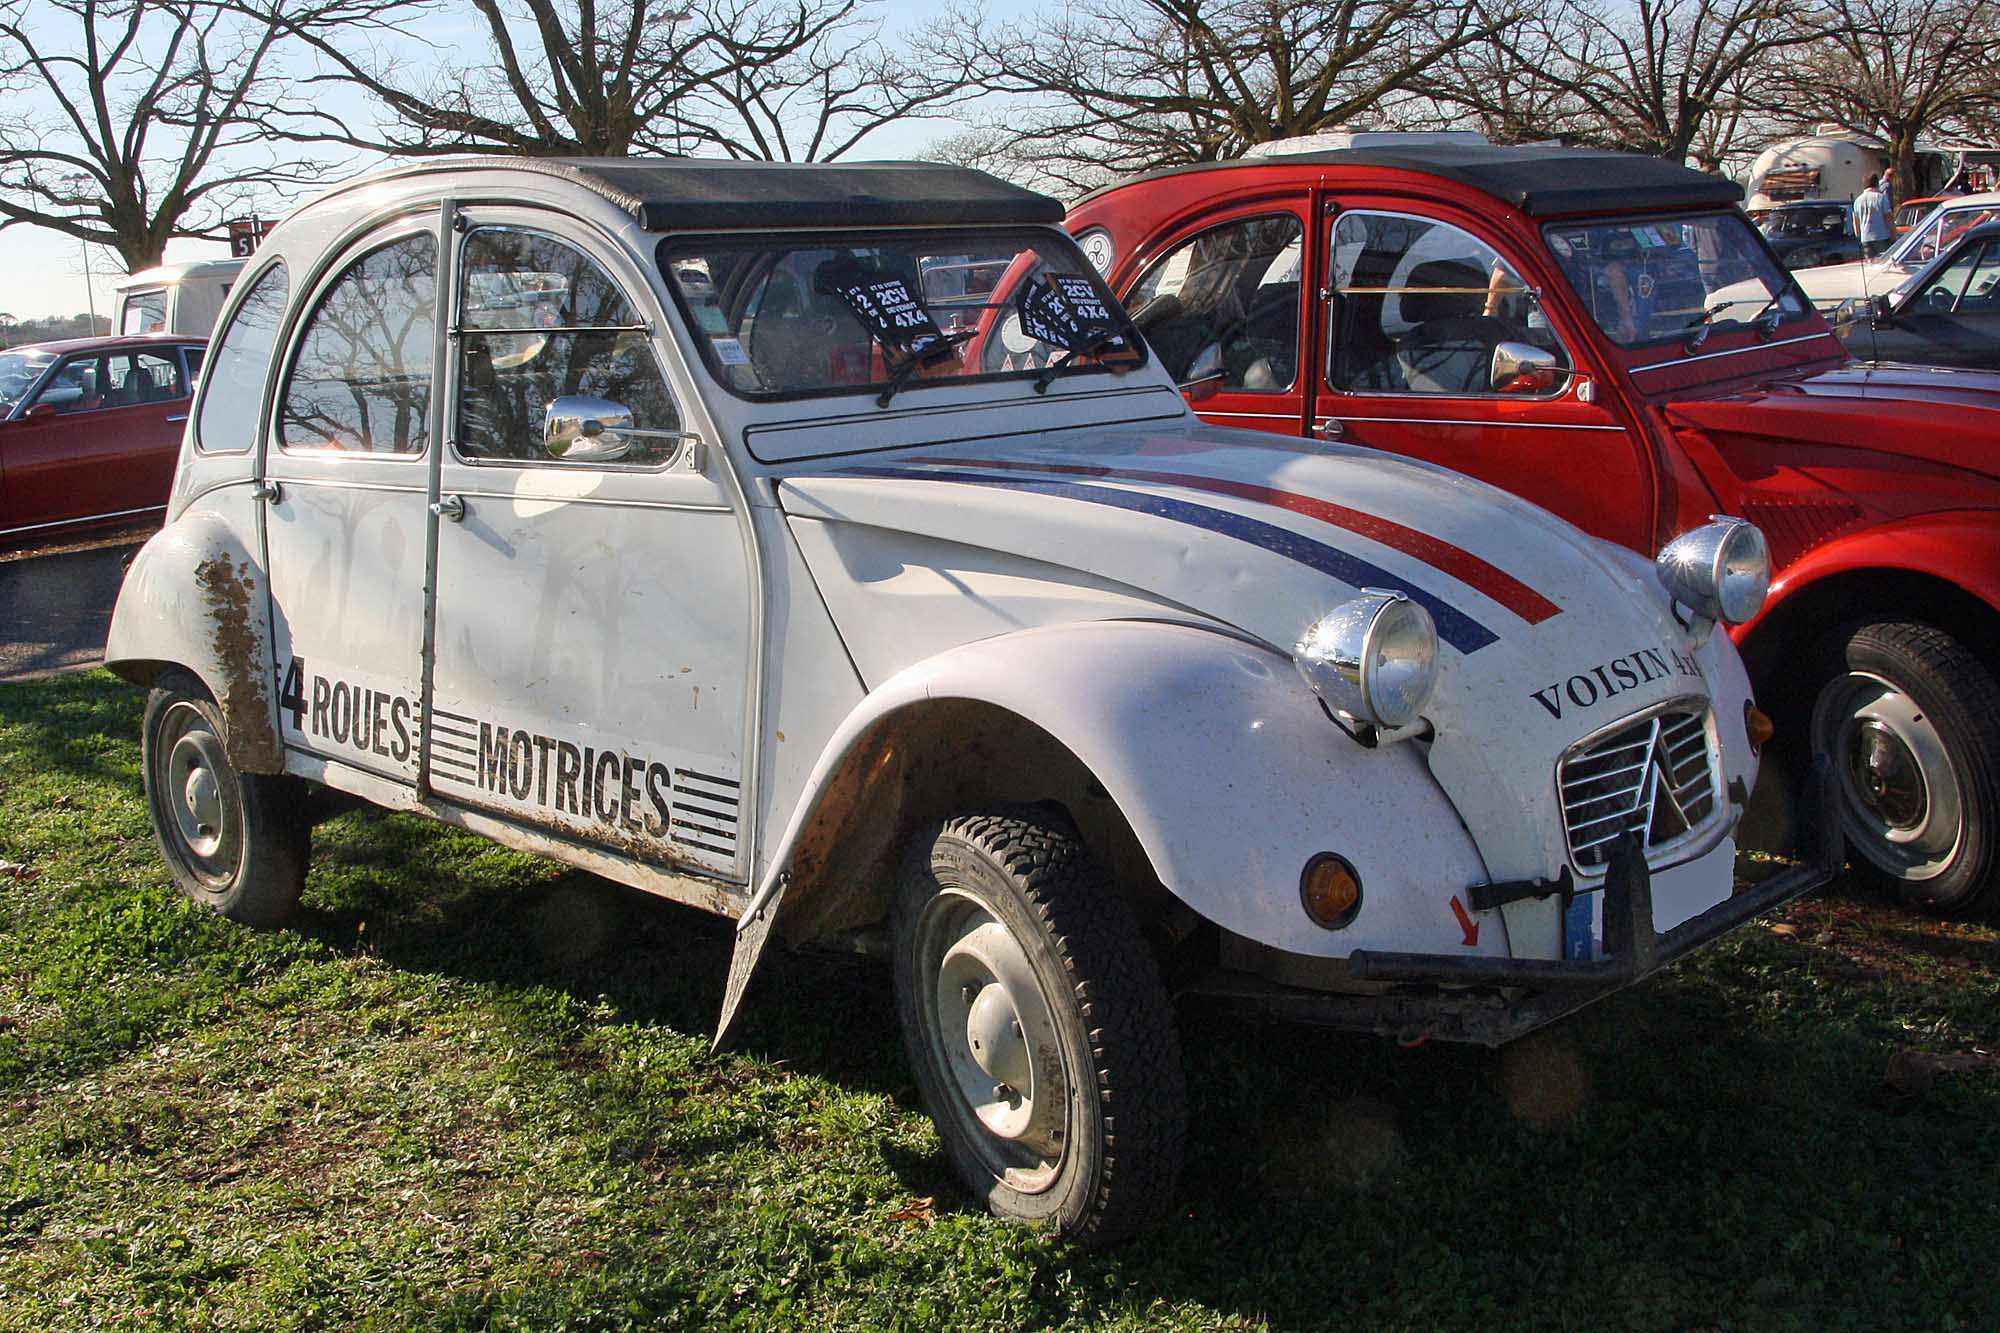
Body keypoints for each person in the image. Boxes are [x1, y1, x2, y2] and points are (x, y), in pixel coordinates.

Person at [1852, 174, 1893, 259]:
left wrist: (1859, 235)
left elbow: (1855, 223)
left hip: (1865, 238)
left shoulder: (1857, 201)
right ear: (1876, 183)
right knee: (1884, 263)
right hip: (1882, 237)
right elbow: (1889, 217)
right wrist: (1893, 235)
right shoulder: (1881, 198)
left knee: (1870, 264)